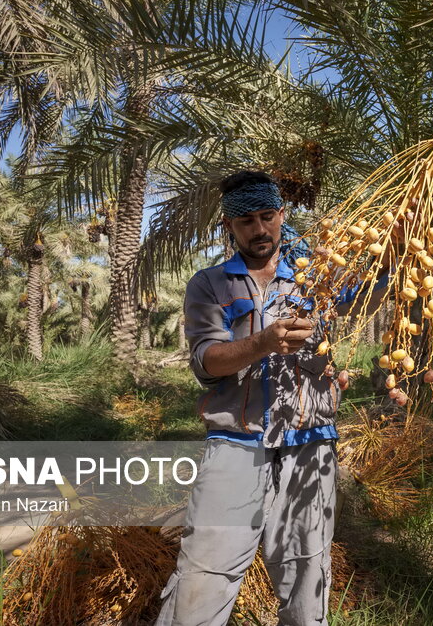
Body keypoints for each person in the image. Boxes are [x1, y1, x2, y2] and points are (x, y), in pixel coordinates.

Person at [156, 170, 387, 626]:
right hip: (237, 443)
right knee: (204, 574)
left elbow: (371, 291)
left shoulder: (318, 276)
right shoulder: (210, 285)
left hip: (310, 443)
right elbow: (207, 362)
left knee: (307, 576)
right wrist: (263, 343)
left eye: (267, 216)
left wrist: (398, 242)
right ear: (229, 226)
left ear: (282, 215)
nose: (259, 229)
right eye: (246, 221)